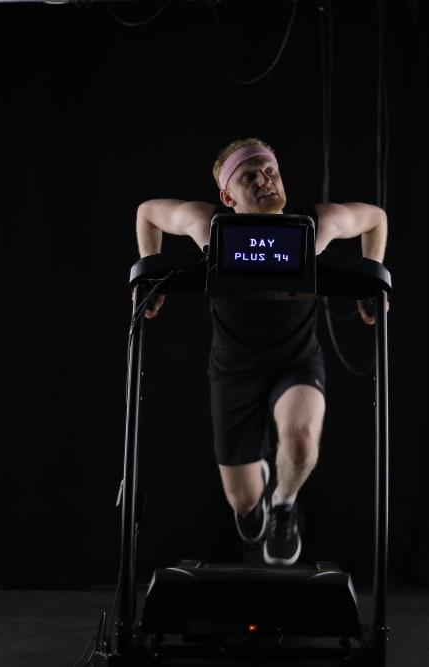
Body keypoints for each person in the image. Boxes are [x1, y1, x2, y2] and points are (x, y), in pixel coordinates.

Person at [135, 137, 387, 566]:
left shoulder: (314, 225)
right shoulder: (206, 225)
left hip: (296, 361)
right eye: (249, 176)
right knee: (243, 505)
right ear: (228, 195)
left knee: (303, 440)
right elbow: (148, 212)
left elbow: (375, 219)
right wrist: (150, 277)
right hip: (233, 370)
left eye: (270, 170)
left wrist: (371, 287)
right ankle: (258, 502)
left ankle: (285, 506)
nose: (264, 180)